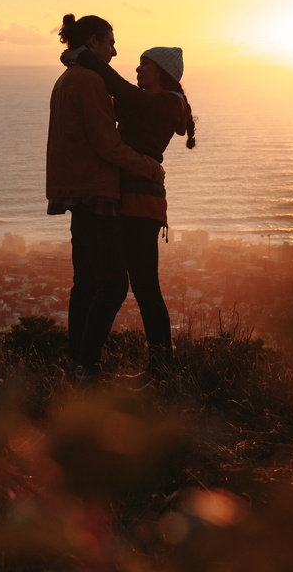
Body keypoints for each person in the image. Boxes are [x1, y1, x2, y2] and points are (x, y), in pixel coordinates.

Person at [46, 14, 165, 381]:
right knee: (113, 284)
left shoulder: (64, 80)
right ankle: (87, 366)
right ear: (95, 42)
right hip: (96, 193)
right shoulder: (89, 80)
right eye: (110, 43)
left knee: (85, 284)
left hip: (73, 192)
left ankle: (76, 365)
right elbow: (106, 142)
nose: (114, 52)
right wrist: (146, 165)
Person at [69, 43, 196, 378]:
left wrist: (87, 58)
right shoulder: (152, 104)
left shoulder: (170, 102)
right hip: (131, 201)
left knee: (138, 287)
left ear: (162, 71)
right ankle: (155, 365)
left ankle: (152, 365)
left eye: (145, 64)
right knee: (135, 286)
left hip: (141, 203)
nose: (138, 70)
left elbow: (124, 92)